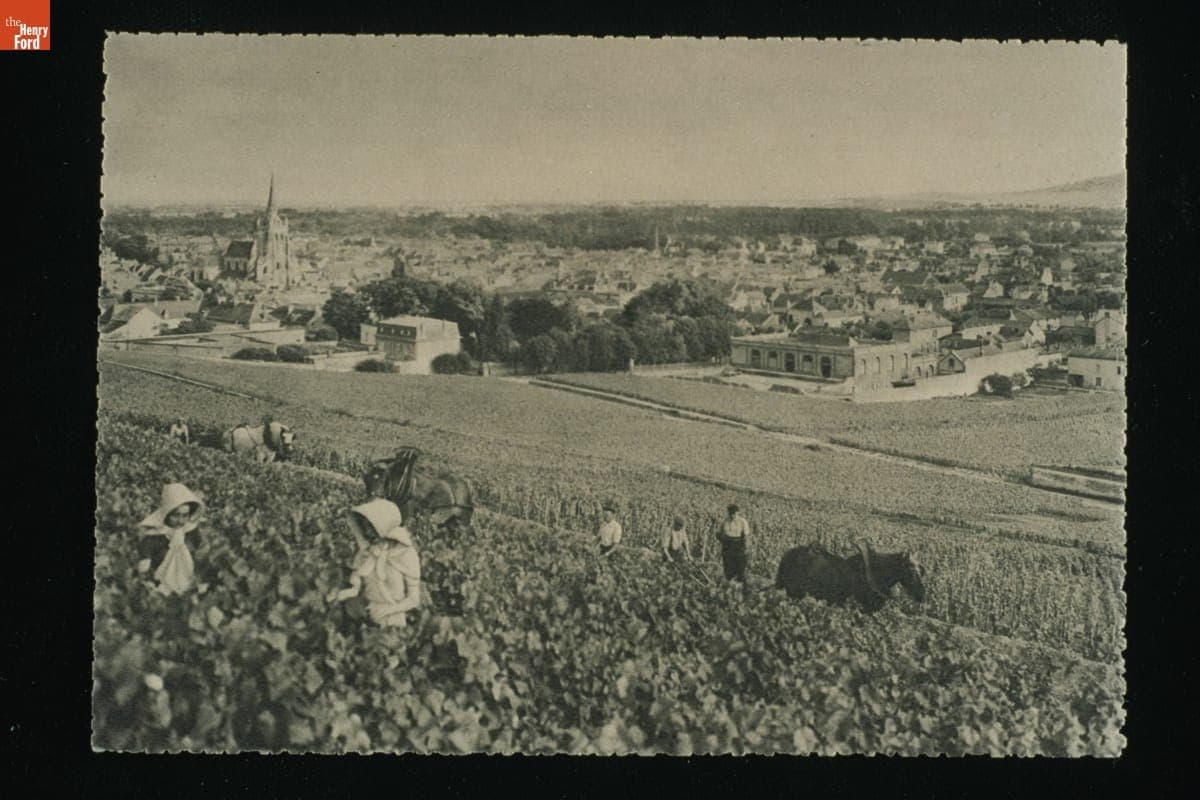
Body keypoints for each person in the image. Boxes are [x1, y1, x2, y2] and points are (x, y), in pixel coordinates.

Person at [328, 499, 421, 628]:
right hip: (368, 614)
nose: (367, 531)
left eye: (371, 526)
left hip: (392, 619)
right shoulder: (367, 553)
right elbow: (358, 588)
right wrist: (343, 594)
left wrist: (386, 611)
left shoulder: (405, 554)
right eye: (364, 526)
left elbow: (413, 600)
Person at [136, 483, 205, 596]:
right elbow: (144, 571)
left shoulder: (192, 534)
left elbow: (200, 559)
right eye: (176, 515)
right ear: (166, 514)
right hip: (160, 590)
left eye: (185, 515)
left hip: (190, 588)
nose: (180, 520)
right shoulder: (153, 538)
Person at [717, 504, 750, 583]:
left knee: (740, 567)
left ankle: (741, 585)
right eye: (731, 513)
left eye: (734, 513)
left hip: (738, 545)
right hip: (727, 546)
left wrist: (745, 547)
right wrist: (723, 541)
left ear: (738, 513)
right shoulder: (724, 521)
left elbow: (746, 536)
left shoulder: (742, 522)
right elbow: (718, 533)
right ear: (728, 513)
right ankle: (730, 584)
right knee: (728, 566)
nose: (733, 515)